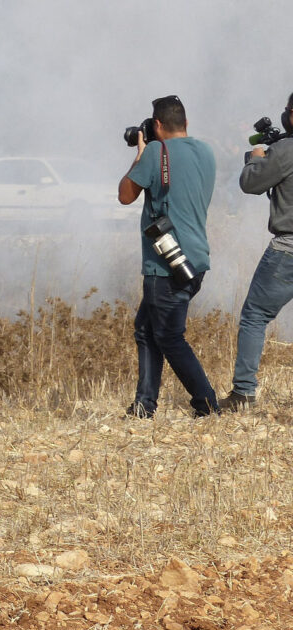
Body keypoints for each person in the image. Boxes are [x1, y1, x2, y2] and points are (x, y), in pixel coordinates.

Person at [118, 95, 219, 418]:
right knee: (146, 329)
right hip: (196, 258)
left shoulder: (156, 154)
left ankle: (206, 402)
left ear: (157, 125)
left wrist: (140, 154)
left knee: (169, 336)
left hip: (165, 265)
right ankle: (143, 405)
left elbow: (124, 195)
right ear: (185, 123)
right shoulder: (206, 152)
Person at [222, 93, 293, 412]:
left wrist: (256, 156)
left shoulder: (283, 150)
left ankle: (243, 393)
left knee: (254, 315)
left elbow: (250, 183)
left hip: (287, 250)